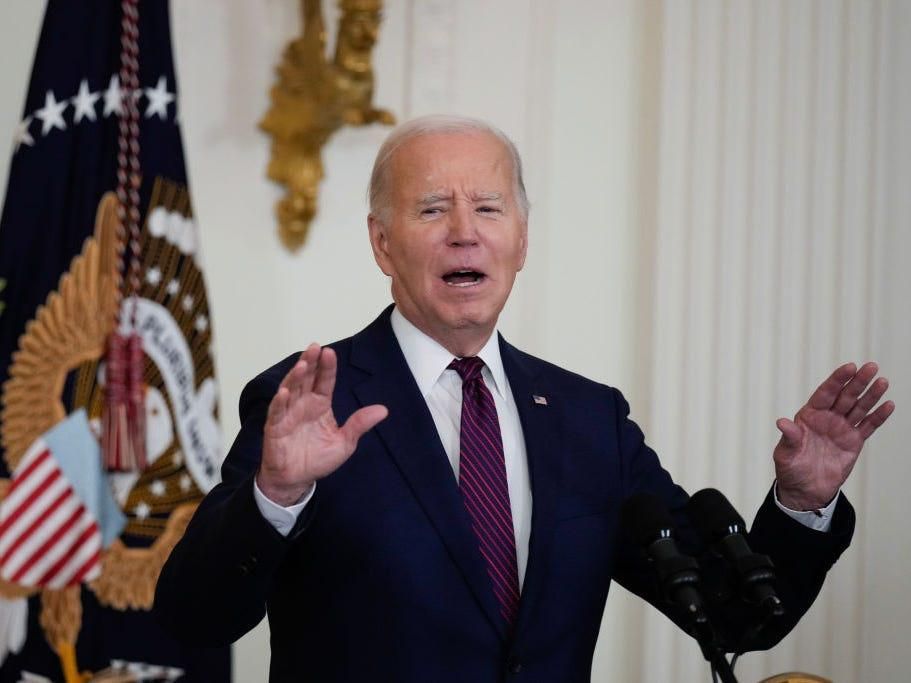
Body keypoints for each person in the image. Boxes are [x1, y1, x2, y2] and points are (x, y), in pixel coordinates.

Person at [154, 116, 894, 682]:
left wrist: (800, 507)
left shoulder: (587, 419)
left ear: (522, 239)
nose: (464, 235)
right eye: (432, 209)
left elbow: (733, 617)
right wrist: (275, 494)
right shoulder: (309, 398)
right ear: (382, 243)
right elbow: (193, 616)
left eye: (488, 208)